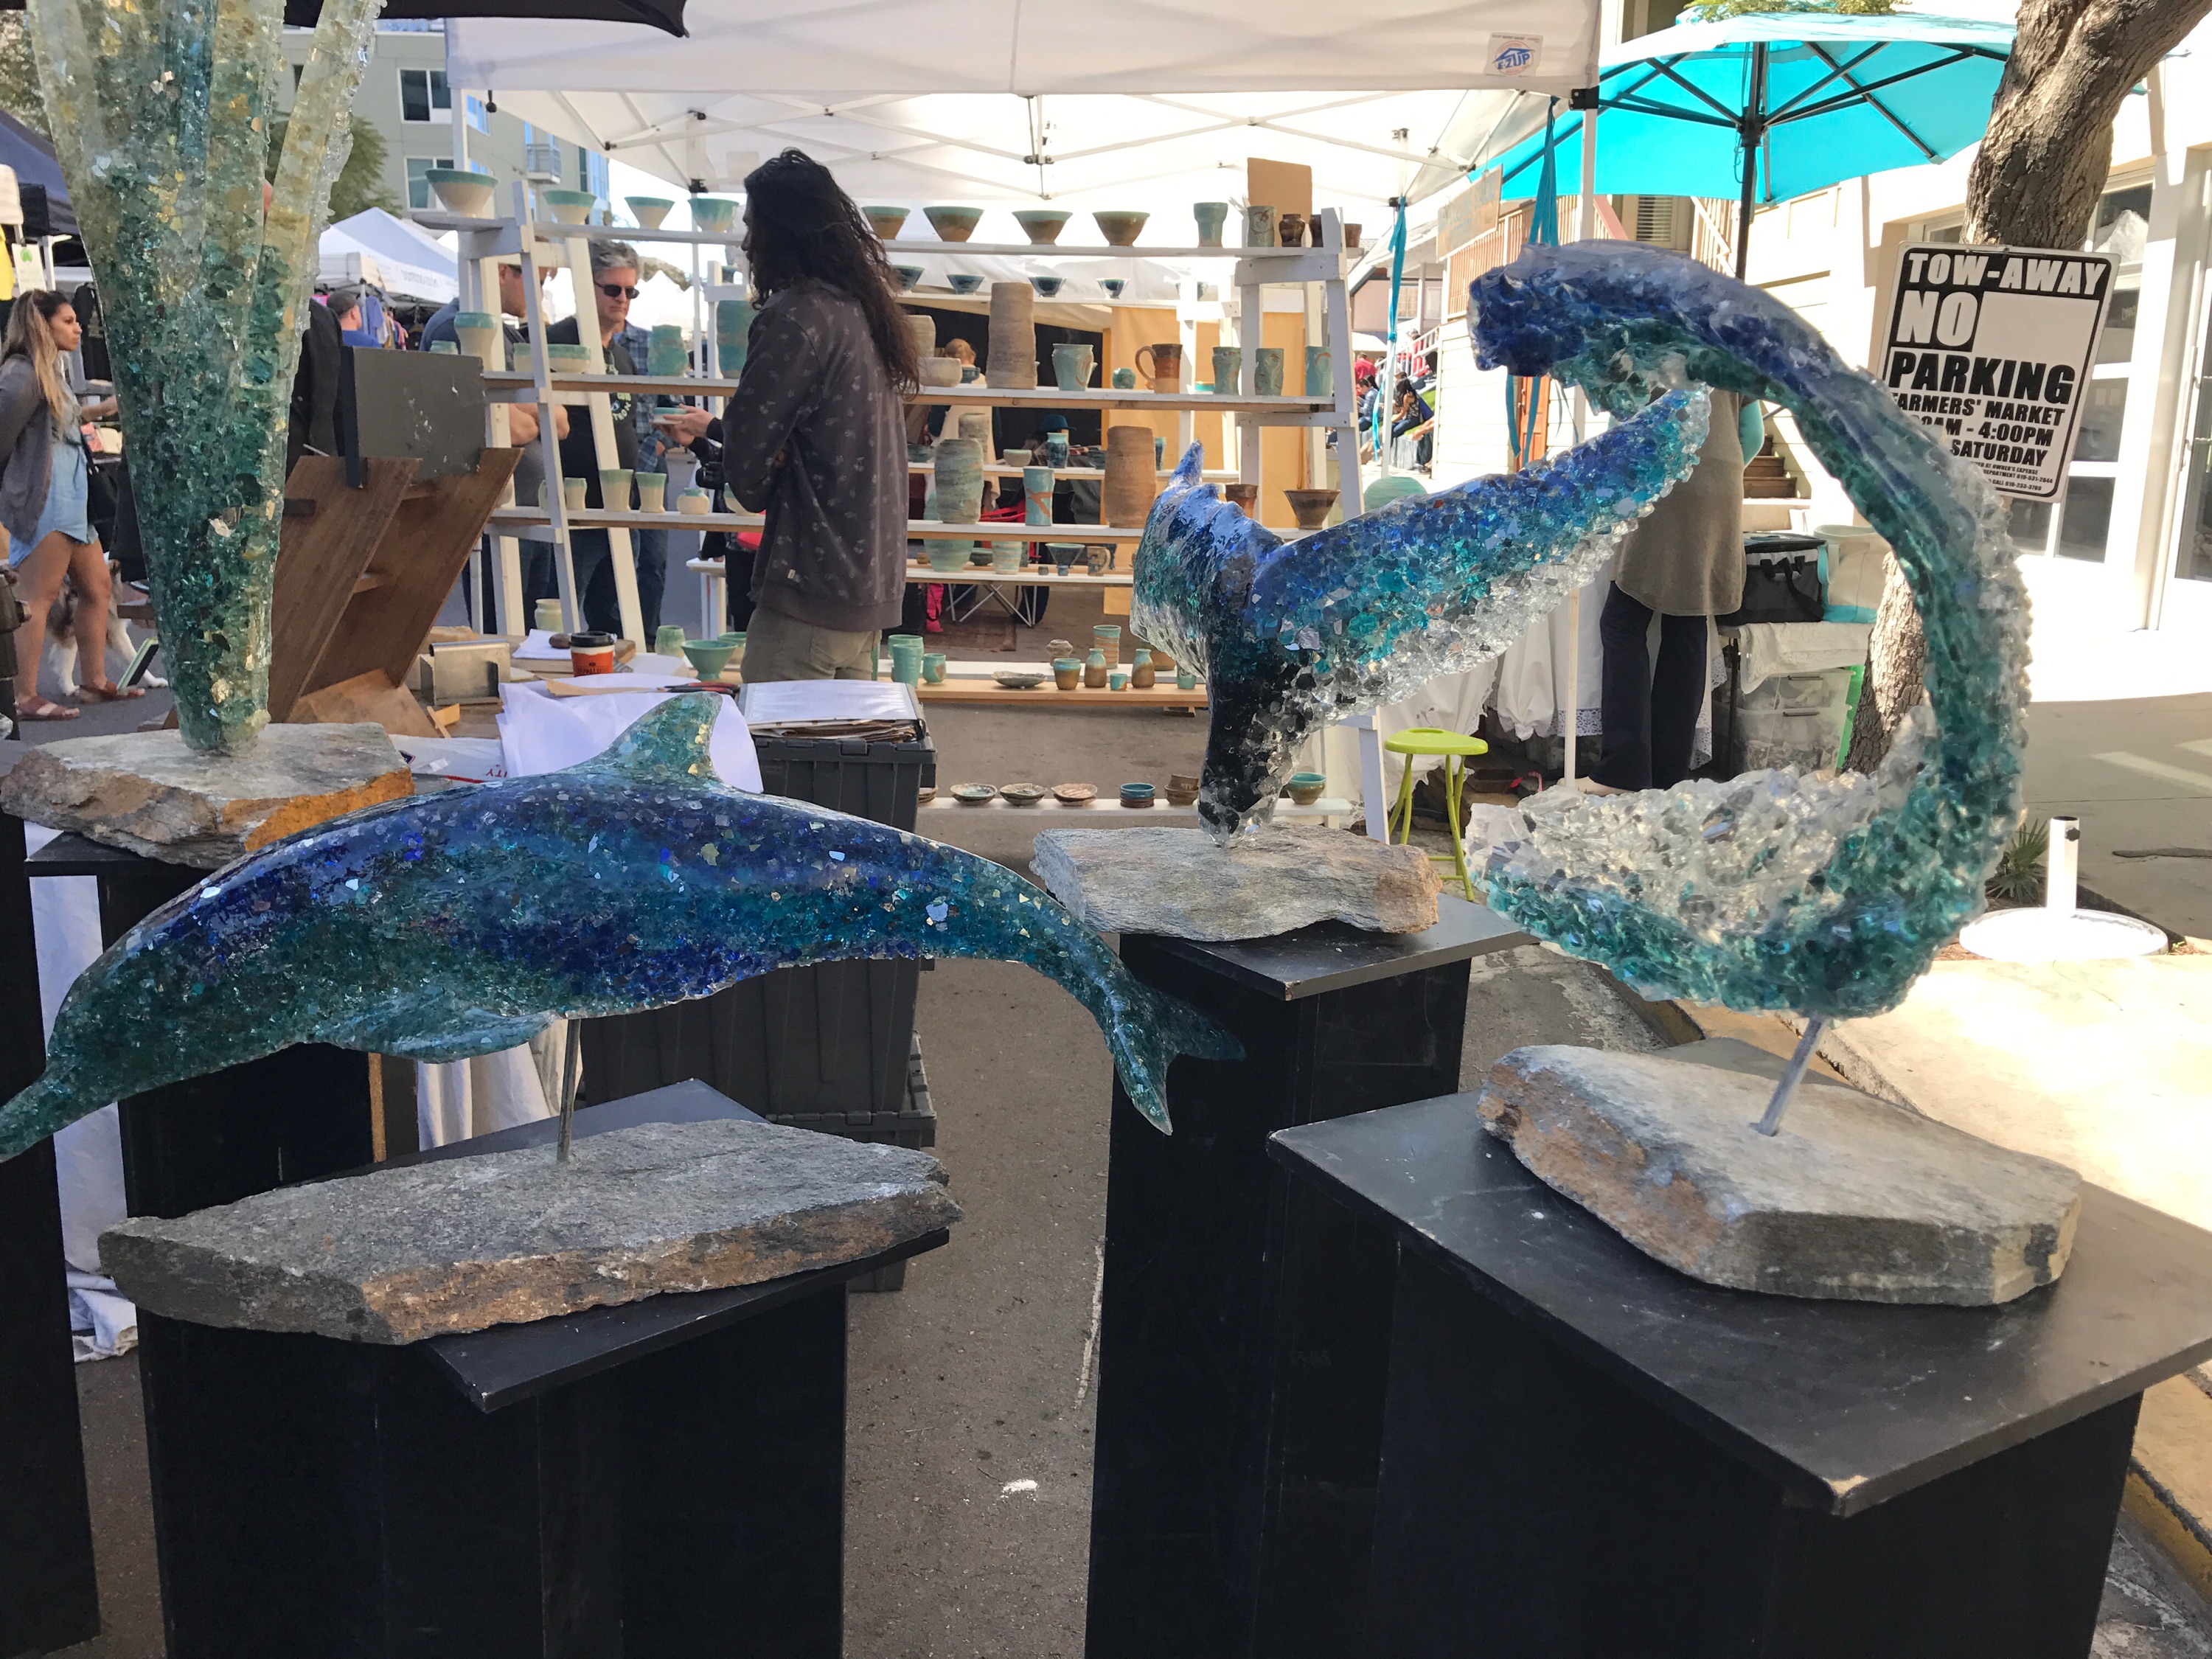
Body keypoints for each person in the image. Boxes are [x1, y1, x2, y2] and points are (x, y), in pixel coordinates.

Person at [660, 150, 914, 681]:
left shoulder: (796, 317)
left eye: (753, 226)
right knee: (840, 740)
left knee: (774, 736)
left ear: (782, 232)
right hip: (867, 593)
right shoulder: (862, 312)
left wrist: (770, 461)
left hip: (810, 590)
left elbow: (747, 469)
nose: (746, 243)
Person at [1587, 393, 1766, 793]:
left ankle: (1623, 770)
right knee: (1689, 622)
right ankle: (1669, 774)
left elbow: (1621, 426)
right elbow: (1753, 435)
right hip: (1721, 482)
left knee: (1623, 621)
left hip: (1661, 475)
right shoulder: (1735, 352)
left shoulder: (1647, 348)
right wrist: (1713, 469)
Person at [1, 289, 135, 720]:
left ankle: (94, 679)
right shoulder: (22, 375)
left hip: (73, 499)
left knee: (97, 589)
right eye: (68, 321)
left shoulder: (47, 372)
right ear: (42, 326)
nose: (79, 328)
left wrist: (102, 411)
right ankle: (25, 695)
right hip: (48, 500)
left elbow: (58, 423)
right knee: (37, 597)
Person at [421, 262, 563, 633]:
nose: (539, 291)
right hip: (492, 513)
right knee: (501, 631)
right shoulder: (453, 328)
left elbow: (561, 419)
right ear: (502, 271)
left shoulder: (509, 334)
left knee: (534, 632)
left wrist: (520, 412)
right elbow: (498, 425)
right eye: (535, 279)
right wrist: (530, 414)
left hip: (529, 508)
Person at [525, 240, 647, 639]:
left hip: (620, 511)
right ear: (585, 287)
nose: (622, 299)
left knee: (615, 626)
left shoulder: (623, 357)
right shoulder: (555, 343)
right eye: (612, 289)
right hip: (572, 512)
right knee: (557, 625)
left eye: (630, 291)